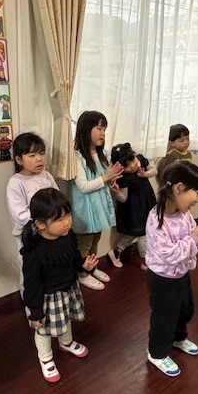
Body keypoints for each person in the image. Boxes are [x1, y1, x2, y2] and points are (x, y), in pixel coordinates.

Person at [145, 161, 198, 376]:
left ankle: (178, 338)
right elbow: (169, 255)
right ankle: (157, 353)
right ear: (178, 188)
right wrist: (195, 238)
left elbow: (191, 243)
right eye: (196, 192)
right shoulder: (157, 220)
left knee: (186, 309)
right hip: (162, 278)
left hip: (181, 274)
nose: (197, 199)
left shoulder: (183, 214)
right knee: (164, 317)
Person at [21, 188, 96, 383]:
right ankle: (45, 358)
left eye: (68, 215)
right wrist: (35, 312)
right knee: (44, 330)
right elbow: (32, 284)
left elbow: (75, 259)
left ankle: (66, 343)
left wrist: (84, 266)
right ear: (40, 224)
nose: (67, 222)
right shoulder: (34, 251)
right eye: (59, 219)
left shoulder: (68, 236)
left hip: (68, 289)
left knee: (66, 318)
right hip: (46, 297)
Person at [71, 110, 123, 291]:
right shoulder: (77, 157)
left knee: (96, 239)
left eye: (104, 130)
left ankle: (91, 268)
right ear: (86, 130)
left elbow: (105, 180)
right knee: (84, 244)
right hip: (85, 210)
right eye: (99, 129)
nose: (103, 134)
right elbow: (83, 187)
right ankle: (82, 274)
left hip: (100, 208)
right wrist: (106, 177)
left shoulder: (103, 154)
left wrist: (112, 182)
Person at [6, 132, 59, 291]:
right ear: (19, 160)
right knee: (30, 270)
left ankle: (47, 296)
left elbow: (57, 199)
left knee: (48, 266)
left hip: (49, 231)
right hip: (28, 235)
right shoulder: (15, 183)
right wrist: (45, 220)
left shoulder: (46, 176)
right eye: (32, 155)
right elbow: (20, 215)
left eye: (42, 153)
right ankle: (30, 300)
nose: (39, 159)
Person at [107, 143, 157, 271]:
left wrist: (145, 174)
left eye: (133, 161)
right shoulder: (123, 178)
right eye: (127, 166)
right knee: (143, 233)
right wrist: (116, 191)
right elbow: (123, 198)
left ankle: (116, 251)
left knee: (133, 234)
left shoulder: (141, 160)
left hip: (147, 204)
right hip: (133, 210)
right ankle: (144, 261)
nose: (133, 166)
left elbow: (155, 170)